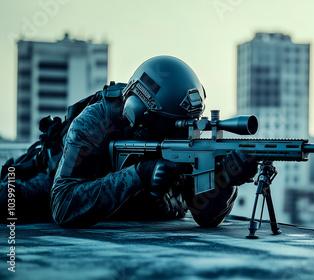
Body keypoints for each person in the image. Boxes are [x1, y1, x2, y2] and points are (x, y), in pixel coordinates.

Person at [8, 56, 258, 227]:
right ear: (137, 112)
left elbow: (203, 215)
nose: (182, 134)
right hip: (53, 181)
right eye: (170, 125)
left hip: (141, 213)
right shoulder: (97, 120)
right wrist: (140, 174)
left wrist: (226, 180)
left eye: (187, 125)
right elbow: (63, 205)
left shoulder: (181, 136)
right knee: (9, 200)